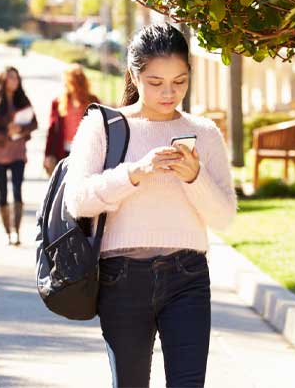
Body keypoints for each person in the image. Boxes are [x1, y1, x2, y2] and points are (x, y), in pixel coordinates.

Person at [64, 23, 237, 387]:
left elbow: (224, 217)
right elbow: (77, 200)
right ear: (134, 75)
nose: (169, 92)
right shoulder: (103, 126)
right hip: (121, 277)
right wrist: (136, 173)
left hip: (188, 276)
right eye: (156, 82)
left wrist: (194, 177)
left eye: (180, 81)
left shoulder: (204, 133)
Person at [0, 67, 37, 246]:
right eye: (11, 78)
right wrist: (5, 132)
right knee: (3, 193)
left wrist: (21, 129)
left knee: (17, 190)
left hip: (18, 152)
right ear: (4, 80)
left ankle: (17, 231)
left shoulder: (23, 100)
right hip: (0, 153)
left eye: (17, 78)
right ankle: (7, 231)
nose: (15, 81)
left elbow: (34, 123)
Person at [44, 64, 100, 176]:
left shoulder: (93, 101)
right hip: (63, 151)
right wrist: (48, 154)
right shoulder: (58, 102)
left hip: (86, 151)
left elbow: (101, 128)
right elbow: (52, 129)